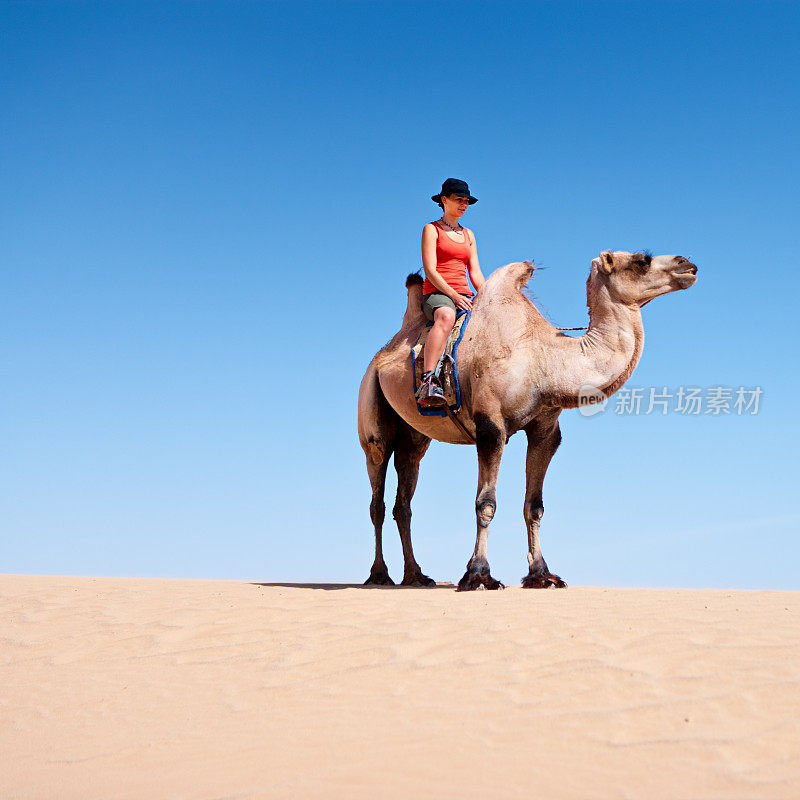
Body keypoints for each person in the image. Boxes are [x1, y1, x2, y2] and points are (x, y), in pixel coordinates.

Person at [417, 178, 485, 407]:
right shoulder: (432, 229)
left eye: (466, 201)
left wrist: (487, 297)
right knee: (446, 315)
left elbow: (474, 272)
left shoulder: (470, 235)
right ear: (444, 200)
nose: (463, 205)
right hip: (437, 292)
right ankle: (428, 380)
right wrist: (454, 296)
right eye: (458, 200)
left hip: (464, 294)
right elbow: (430, 270)